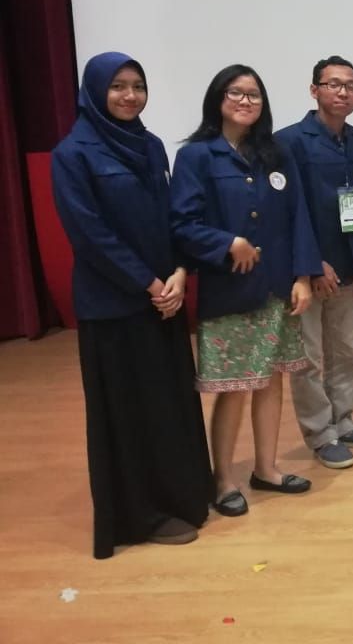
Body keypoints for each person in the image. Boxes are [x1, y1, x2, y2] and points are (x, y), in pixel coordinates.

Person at [51, 52, 213, 558]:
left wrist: (180, 272)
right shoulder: (73, 153)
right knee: (128, 414)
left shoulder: (150, 145)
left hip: (163, 301)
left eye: (137, 86)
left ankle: (181, 496)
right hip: (114, 306)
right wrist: (148, 283)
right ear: (95, 91)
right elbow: (89, 234)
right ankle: (140, 515)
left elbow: (172, 218)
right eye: (118, 86)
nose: (129, 96)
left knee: (167, 404)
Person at [171, 65, 322, 517]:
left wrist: (303, 276)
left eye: (253, 94)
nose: (245, 101)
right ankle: (223, 480)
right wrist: (225, 243)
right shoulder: (197, 156)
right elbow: (181, 223)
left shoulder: (275, 154)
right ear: (218, 99)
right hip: (230, 289)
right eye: (235, 93)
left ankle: (267, 469)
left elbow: (299, 216)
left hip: (277, 287)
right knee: (235, 386)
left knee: (271, 380)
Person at [275, 56, 353, 469]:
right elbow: (289, 211)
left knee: (346, 352)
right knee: (309, 359)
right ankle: (321, 435)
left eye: (351, 86)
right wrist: (311, 265)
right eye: (333, 84)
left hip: (348, 267)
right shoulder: (289, 142)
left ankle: (343, 422)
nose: (343, 92)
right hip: (307, 273)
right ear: (314, 90)